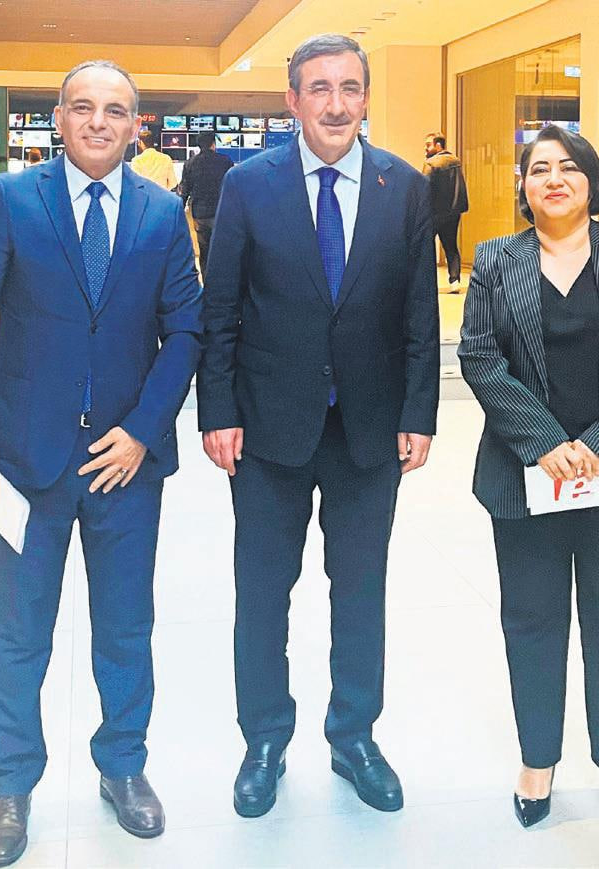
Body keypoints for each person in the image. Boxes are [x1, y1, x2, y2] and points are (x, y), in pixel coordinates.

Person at [0, 59, 203, 866]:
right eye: (82, 107)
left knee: (125, 627)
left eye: (114, 110)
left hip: (125, 465)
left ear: (135, 126)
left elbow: (186, 330)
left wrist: (143, 429)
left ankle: (122, 765)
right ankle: (11, 782)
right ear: (58, 118)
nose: (97, 122)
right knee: (19, 632)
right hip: (23, 461)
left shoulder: (162, 212)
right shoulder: (12, 199)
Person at [199, 33, 439, 819]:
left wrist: (419, 411)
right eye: (319, 88)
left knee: (361, 591)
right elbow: (220, 306)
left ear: (365, 96)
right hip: (267, 429)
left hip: (370, 429)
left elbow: (418, 312)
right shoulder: (248, 184)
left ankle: (354, 736)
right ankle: (264, 740)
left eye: (349, 87)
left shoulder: (404, 186)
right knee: (263, 592)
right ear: (292, 100)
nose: (336, 104)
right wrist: (218, 409)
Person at [457, 125, 599, 834]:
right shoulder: (496, 260)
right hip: (526, 476)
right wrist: (547, 444)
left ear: (590, 180)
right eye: (537, 169)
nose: (552, 179)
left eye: (567, 167)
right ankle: (537, 761)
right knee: (531, 618)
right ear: (523, 187)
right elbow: (478, 356)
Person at [179, 130, 232, 281]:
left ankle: (207, 283)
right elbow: (232, 187)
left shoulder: (190, 163)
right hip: (221, 213)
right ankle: (222, 283)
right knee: (223, 250)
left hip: (200, 215)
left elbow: (185, 190)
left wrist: (179, 211)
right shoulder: (225, 161)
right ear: (213, 144)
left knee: (204, 250)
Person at [423, 132, 467, 290]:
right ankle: (455, 280)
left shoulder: (431, 164)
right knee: (451, 246)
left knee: (426, 247)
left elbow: (424, 187)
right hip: (453, 212)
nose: (425, 148)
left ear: (438, 145)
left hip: (434, 212)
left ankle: (427, 281)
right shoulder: (456, 161)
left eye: (428, 145)